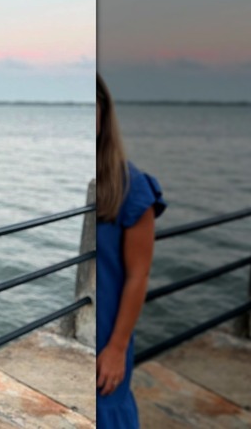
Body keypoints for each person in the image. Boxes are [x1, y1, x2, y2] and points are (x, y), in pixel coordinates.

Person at [96, 73, 166, 428]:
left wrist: (118, 348)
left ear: (103, 112)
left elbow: (139, 276)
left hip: (109, 334)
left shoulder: (131, 186)